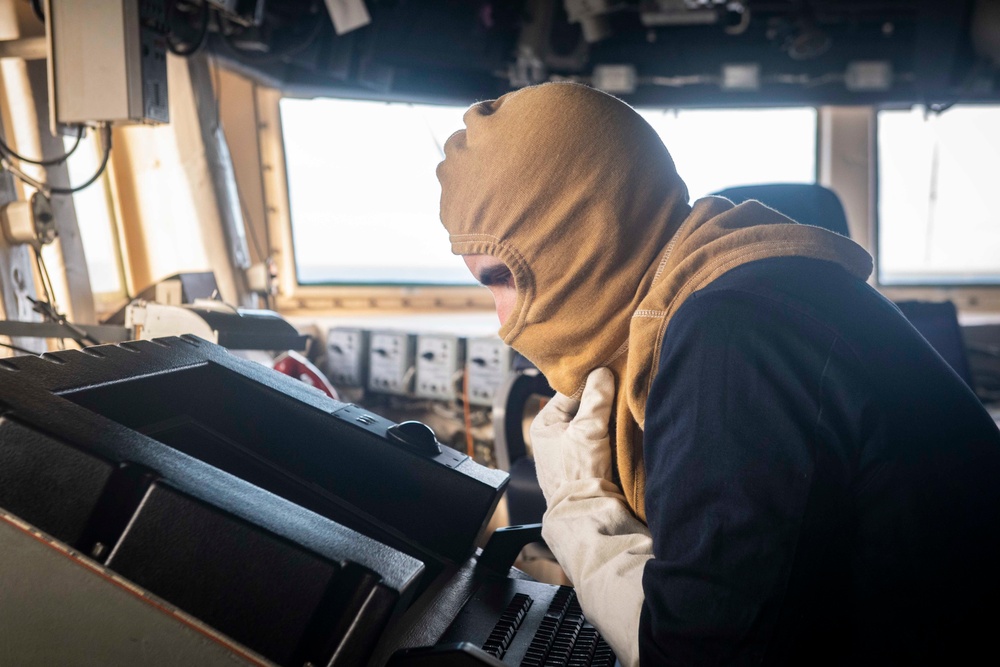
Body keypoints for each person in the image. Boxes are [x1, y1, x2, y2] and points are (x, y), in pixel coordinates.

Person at [436, 82, 1000, 665]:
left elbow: (694, 657)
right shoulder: (747, 283)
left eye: (503, 278)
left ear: (582, 240)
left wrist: (579, 505)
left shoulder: (732, 336)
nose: (503, 321)